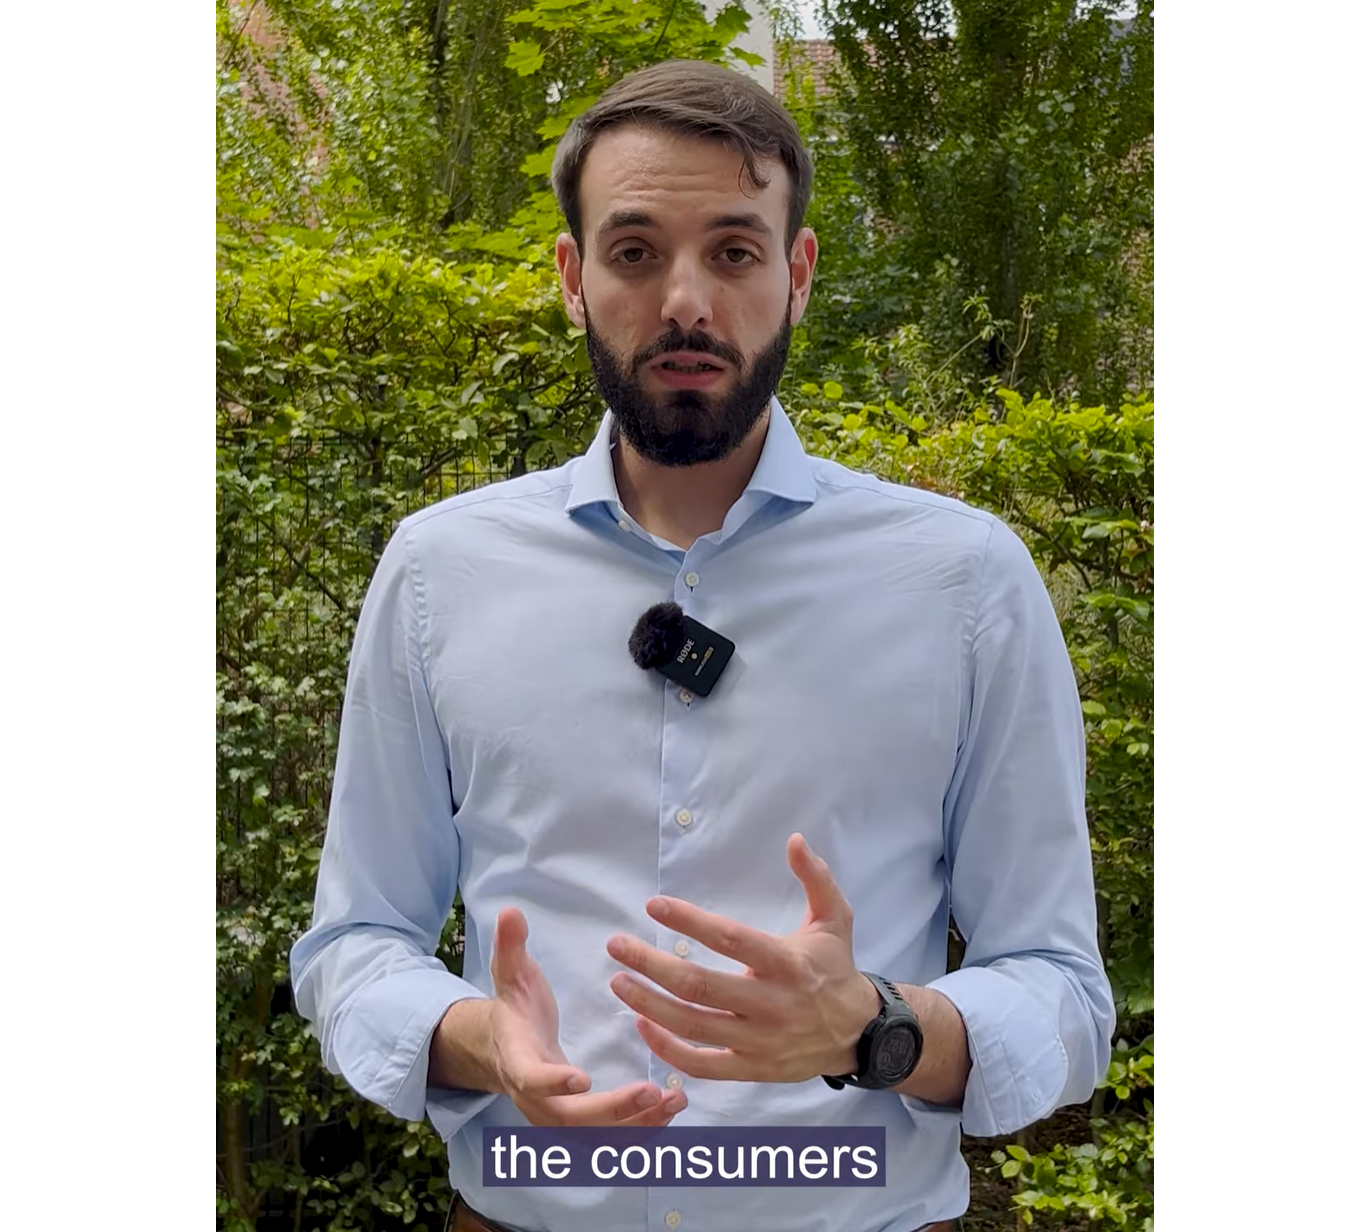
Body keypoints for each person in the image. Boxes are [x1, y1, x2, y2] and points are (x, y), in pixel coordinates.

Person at [290, 58, 1115, 1232]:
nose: (685, 299)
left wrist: (874, 1028)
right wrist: (476, 1035)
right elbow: (355, 939)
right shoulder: (437, 573)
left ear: (797, 274)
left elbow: (1058, 984)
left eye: (732, 250)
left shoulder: (965, 582)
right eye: (634, 251)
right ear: (572, 278)